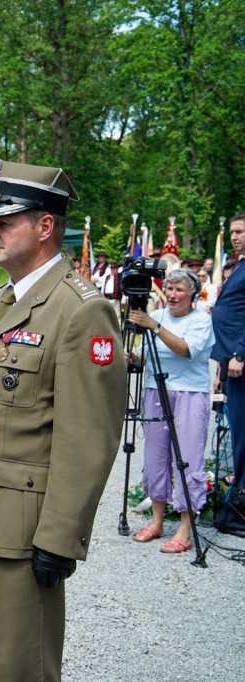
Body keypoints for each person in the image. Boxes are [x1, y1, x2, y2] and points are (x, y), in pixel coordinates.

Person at [0, 160, 125, 682]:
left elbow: (89, 435)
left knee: (24, 670)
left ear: (45, 227)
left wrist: (60, 537)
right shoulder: (5, 300)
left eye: (4, 222)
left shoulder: (82, 310)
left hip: (23, 529)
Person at [127, 269, 214, 553]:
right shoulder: (160, 317)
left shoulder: (200, 319)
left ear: (193, 294)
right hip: (155, 390)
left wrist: (153, 326)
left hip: (190, 393)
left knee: (187, 459)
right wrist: (131, 355)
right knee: (155, 458)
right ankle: (157, 522)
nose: (173, 295)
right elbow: (146, 354)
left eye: (179, 290)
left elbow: (185, 349)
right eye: (170, 289)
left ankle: (185, 530)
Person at [211, 212, 245, 486]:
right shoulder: (239, 265)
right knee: (237, 426)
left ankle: (241, 489)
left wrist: (240, 353)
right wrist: (223, 365)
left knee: (243, 428)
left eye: (240, 232)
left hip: (240, 360)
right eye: (233, 232)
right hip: (230, 362)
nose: (235, 237)